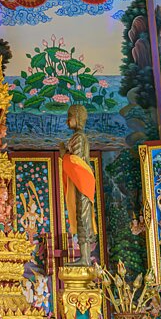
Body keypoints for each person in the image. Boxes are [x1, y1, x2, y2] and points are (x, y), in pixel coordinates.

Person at [59, 104, 97, 266]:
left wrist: (64, 154)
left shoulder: (79, 138)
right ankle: (85, 257)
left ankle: (86, 258)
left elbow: (76, 161)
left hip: (82, 181)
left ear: (78, 118)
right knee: (81, 216)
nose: (68, 121)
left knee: (83, 217)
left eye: (70, 117)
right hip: (79, 181)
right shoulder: (77, 137)